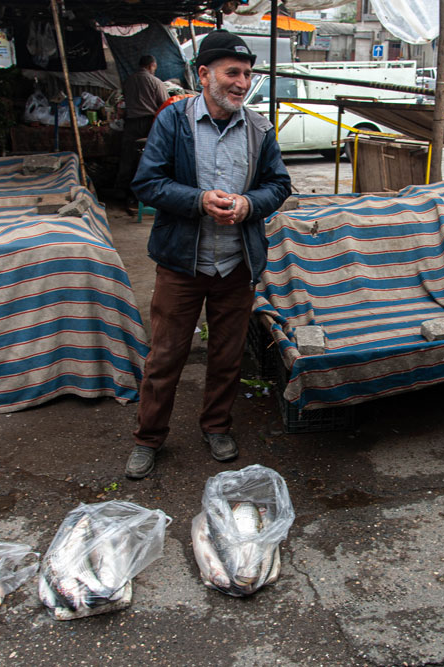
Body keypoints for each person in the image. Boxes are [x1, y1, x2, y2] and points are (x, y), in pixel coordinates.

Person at [124, 30, 292, 479]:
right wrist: (199, 200)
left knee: (227, 354)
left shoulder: (258, 127)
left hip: (236, 264)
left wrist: (247, 204)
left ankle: (217, 426)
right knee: (165, 355)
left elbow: (279, 185)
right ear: (204, 74)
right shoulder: (173, 120)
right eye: (232, 73)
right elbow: (147, 182)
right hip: (182, 263)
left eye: (247, 74)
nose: (242, 82)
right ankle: (148, 437)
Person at [114, 55, 170, 214]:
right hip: (147, 123)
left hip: (131, 122)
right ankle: (141, 192)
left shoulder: (128, 80)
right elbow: (165, 105)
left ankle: (122, 190)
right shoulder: (155, 82)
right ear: (152, 65)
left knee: (127, 157)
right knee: (146, 158)